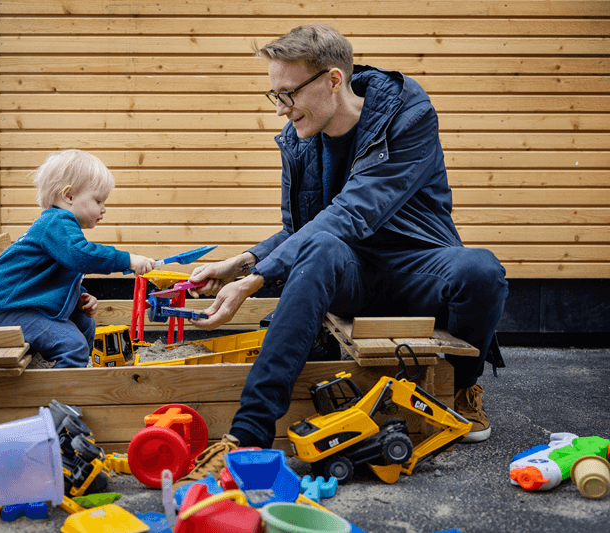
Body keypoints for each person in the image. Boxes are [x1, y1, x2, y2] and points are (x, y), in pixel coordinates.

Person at [175, 24, 508, 486]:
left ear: (333, 80)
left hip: (421, 269)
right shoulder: (300, 138)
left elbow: (356, 209)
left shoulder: (408, 115)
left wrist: (254, 281)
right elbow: (306, 230)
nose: (281, 111)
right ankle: (247, 435)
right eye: (274, 96)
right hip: (353, 273)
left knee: (481, 269)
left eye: (288, 95)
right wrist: (244, 261)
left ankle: (464, 386)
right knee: (322, 246)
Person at [0, 149, 155, 368]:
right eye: (98, 200)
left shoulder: (59, 226)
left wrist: (80, 296)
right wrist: (127, 260)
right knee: (73, 346)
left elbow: (56, 275)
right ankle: (61, 396)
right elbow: (82, 256)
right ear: (69, 196)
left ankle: (79, 369)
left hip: (27, 304)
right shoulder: (56, 223)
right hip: (12, 310)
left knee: (85, 320)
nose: (104, 209)